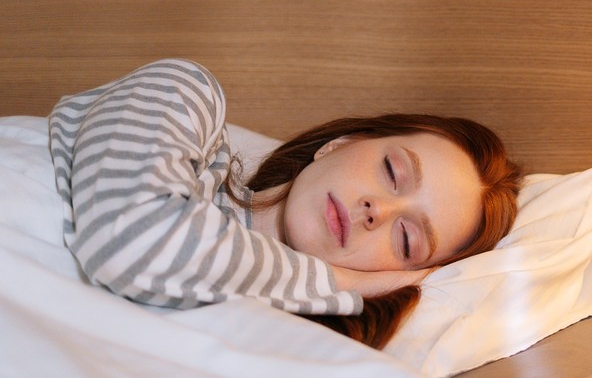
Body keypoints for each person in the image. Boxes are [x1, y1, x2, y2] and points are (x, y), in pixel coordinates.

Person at [49, 58, 521, 349]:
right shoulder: (185, 96)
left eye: (406, 239)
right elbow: (130, 244)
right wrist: (346, 280)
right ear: (338, 144)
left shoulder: (286, 347)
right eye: (392, 172)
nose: (378, 210)